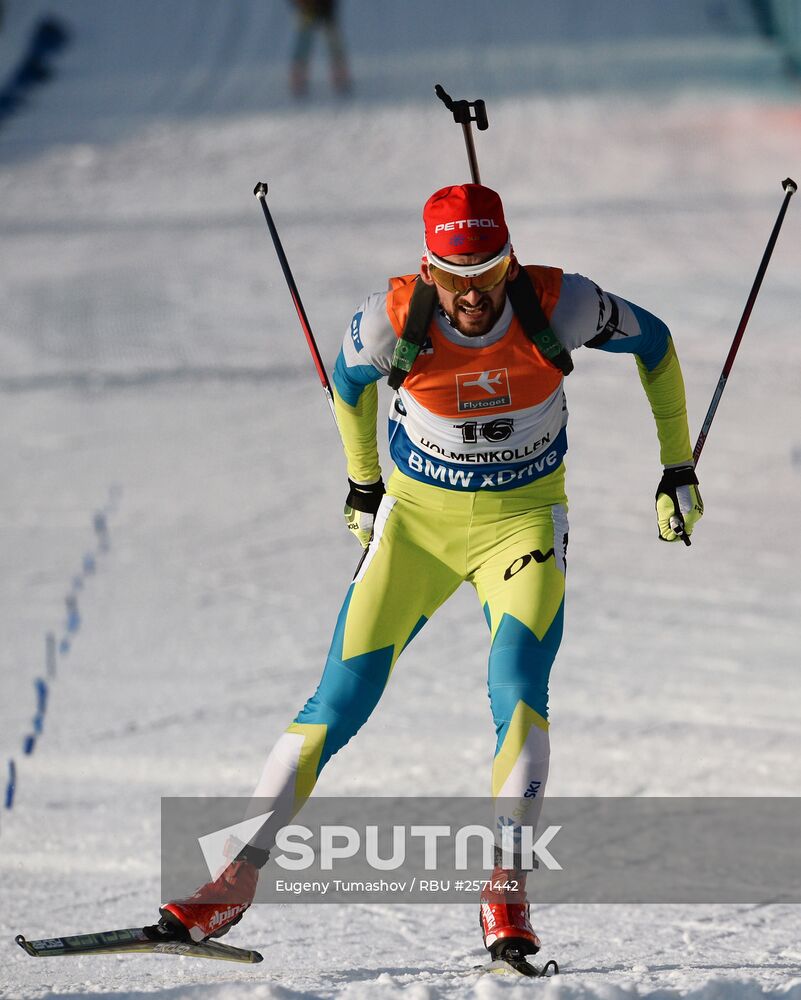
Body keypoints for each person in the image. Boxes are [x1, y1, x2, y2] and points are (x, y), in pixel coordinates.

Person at [158, 183, 703, 962]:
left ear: (508, 259)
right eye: (454, 276)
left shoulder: (563, 303)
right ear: (427, 267)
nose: (472, 293)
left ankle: (505, 893)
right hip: (416, 526)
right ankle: (231, 884)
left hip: (519, 523)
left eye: (486, 271)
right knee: (337, 699)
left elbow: (655, 342)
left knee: (517, 685)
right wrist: (362, 483)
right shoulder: (392, 318)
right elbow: (347, 386)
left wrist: (675, 466)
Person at [288, 0, 350, 98]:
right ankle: (298, 78)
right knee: (304, 43)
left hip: (326, 9)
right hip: (308, 9)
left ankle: (341, 76)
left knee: (333, 43)